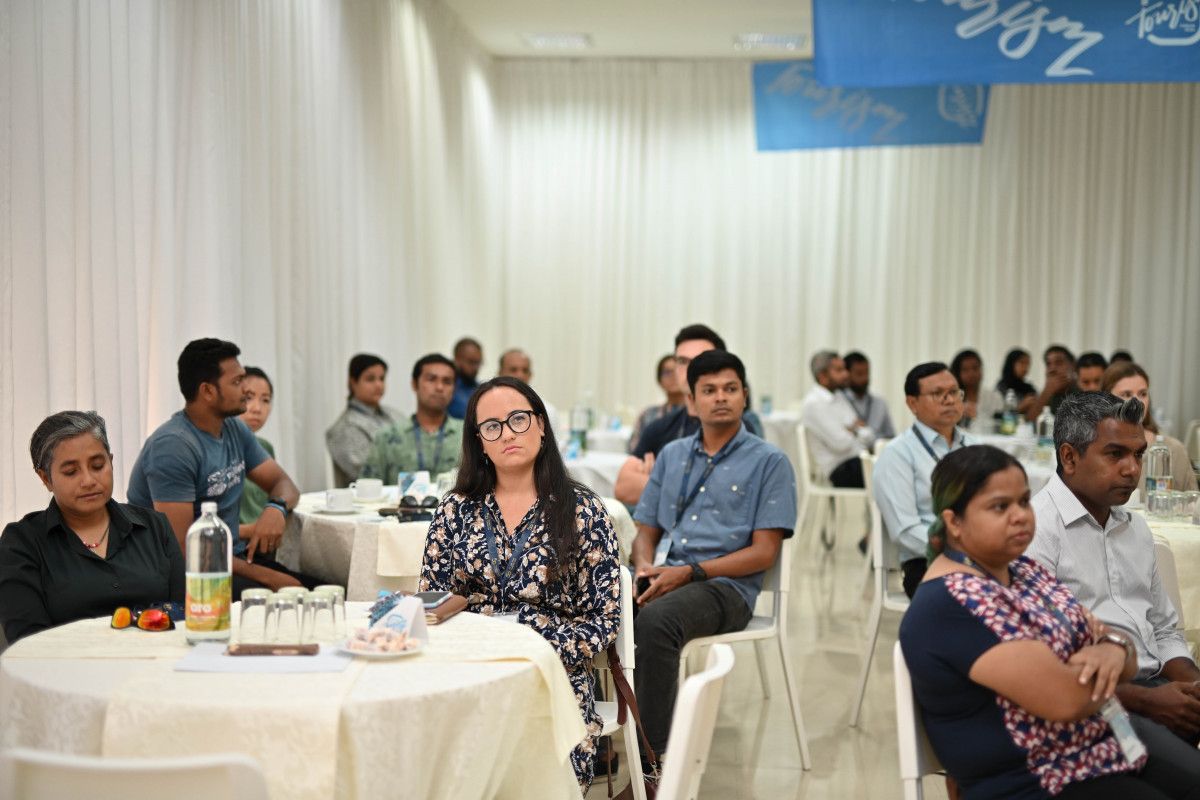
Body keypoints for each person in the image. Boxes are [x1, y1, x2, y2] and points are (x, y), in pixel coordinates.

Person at [900, 445, 1200, 799]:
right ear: (954, 522)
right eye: (1000, 507)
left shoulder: (1024, 572)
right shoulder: (951, 603)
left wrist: (1114, 649)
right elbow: (1067, 699)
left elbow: (1120, 651)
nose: (1020, 516)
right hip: (1037, 779)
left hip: (1102, 746)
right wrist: (1110, 653)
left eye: (1023, 501)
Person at [419, 376, 619, 793]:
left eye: (518, 420)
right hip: (470, 667)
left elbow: (604, 619)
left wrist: (537, 650)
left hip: (550, 672)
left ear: (541, 425)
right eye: (492, 426)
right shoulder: (455, 509)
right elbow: (430, 600)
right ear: (479, 442)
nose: (507, 434)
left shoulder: (582, 510)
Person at [632, 350, 796, 760]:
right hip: (668, 574)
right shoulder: (672, 455)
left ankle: (654, 760)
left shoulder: (770, 461)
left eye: (730, 389)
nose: (720, 397)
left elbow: (764, 553)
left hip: (726, 587)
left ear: (744, 396)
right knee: (597, 606)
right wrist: (644, 566)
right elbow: (645, 531)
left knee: (656, 622)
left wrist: (690, 572)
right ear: (692, 401)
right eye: (709, 390)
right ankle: (605, 740)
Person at [1026, 392, 1200, 753]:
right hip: (1093, 705)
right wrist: (1148, 701)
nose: (1132, 469)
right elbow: (1041, 662)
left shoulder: (1135, 529)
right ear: (1069, 457)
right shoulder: (1035, 530)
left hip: (1155, 686)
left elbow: (1164, 629)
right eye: (1115, 454)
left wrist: (1194, 688)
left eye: (1138, 454)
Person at [127, 338, 317, 595]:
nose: (245, 389)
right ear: (207, 391)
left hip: (232, 560)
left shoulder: (234, 428)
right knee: (303, 598)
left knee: (333, 591)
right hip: (190, 576)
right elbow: (183, 550)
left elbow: (283, 484)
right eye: (237, 382)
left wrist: (276, 508)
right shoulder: (173, 447)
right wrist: (270, 577)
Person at [0, 411, 185, 644]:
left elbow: (183, 615)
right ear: (46, 479)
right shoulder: (22, 543)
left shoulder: (154, 526)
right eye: (71, 472)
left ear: (111, 461)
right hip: (64, 664)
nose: (88, 480)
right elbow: (28, 642)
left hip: (157, 658)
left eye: (97, 466)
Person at [873, 362, 976, 598]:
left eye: (954, 392)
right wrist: (963, 551)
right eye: (938, 394)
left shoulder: (975, 447)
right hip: (928, 562)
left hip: (982, 555)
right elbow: (905, 531)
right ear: (912, 403)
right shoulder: (898, 454)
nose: (949, 400)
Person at [615, 324, 727, 506]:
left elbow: (724, 495)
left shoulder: (736, 427)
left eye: (700, 360)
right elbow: (624, 488)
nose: (690, 369)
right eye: (682, 361)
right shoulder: (658, 428)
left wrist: (656, 479)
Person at [361, 354, 463, 483]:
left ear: (454, 389)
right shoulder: (387, 437)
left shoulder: (468, 435)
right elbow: (367, 488)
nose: (439, 387)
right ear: (414, 384)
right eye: (431, 379)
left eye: (447, 382)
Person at [1101, 362, 1197, 497]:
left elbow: (1193, 503)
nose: (1137, 402)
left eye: (1143, 394)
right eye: (1126, 394)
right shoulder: (1094, 447)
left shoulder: (1173, 449)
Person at [325, 353, 400, 487]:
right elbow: (368, 476)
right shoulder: (344, 429)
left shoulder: (394, 415)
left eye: (382, 378)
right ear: (353, 382)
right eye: (370, 379)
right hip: (365, 498)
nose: (378, 385)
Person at [801, 350, 870, 487]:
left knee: (890, 462)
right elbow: (841, 443)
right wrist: (855, 429)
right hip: (838, 469)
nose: (846, 374)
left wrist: (851, 430)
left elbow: (868, 434)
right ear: (822, 376)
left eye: (844, 369)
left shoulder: (839, 397)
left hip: (857, 461)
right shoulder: (814, 403)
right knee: (887, 469)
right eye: (839, 370)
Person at [495, 347, 564, 440]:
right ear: (500, 372)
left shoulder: (547, 410)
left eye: (525, 370)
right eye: (513, 370)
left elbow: (556, 446)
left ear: (530, 375)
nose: (520, 375)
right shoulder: (486, 408)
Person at [238, 366, 275, 531]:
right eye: (248, 398)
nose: (257, 409)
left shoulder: (265, 447)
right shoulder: (219, 447)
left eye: (265, 400)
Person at [628, 354, 686, 454]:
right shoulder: (648, 415)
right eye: (667, 372)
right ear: (659, 380)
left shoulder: (695, 415)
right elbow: (634, 449)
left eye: (677, 371)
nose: (673, 376)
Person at [840, 351, 896, 440]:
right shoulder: (839, 401)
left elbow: (890, 436)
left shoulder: (880, 403)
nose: (865, 378)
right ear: (846, 374)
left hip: (877, 448)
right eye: (859, 374)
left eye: (867, 373)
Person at [950, 349, 1004, 431]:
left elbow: (1000, 425)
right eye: (965, 370)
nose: (971, 373)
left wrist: (977, 416)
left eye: (975, 368)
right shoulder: (950, 397)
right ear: (957, 373)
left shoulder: (994, 397)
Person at [1025, 344, 1077, 421]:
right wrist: (1046, 393)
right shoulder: (1047, 394)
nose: (1052, 369)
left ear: (1073, 366)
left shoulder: (1083, 389)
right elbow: (1029, 422)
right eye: (1048, 364)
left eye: (1058, 363)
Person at [995, 347, 1039, 419]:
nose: (1025, 368)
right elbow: (997, 416)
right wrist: (1020, 408)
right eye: (1022, 363)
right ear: (1011, 364)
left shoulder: (1029, 388)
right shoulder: (1001, 388)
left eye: (1027, 364)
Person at [447, 337, 484, 419]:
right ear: (456, 359)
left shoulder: (480, 389)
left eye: (478, 363)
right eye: (471, 362)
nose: (476, 367)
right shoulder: (447, 388)